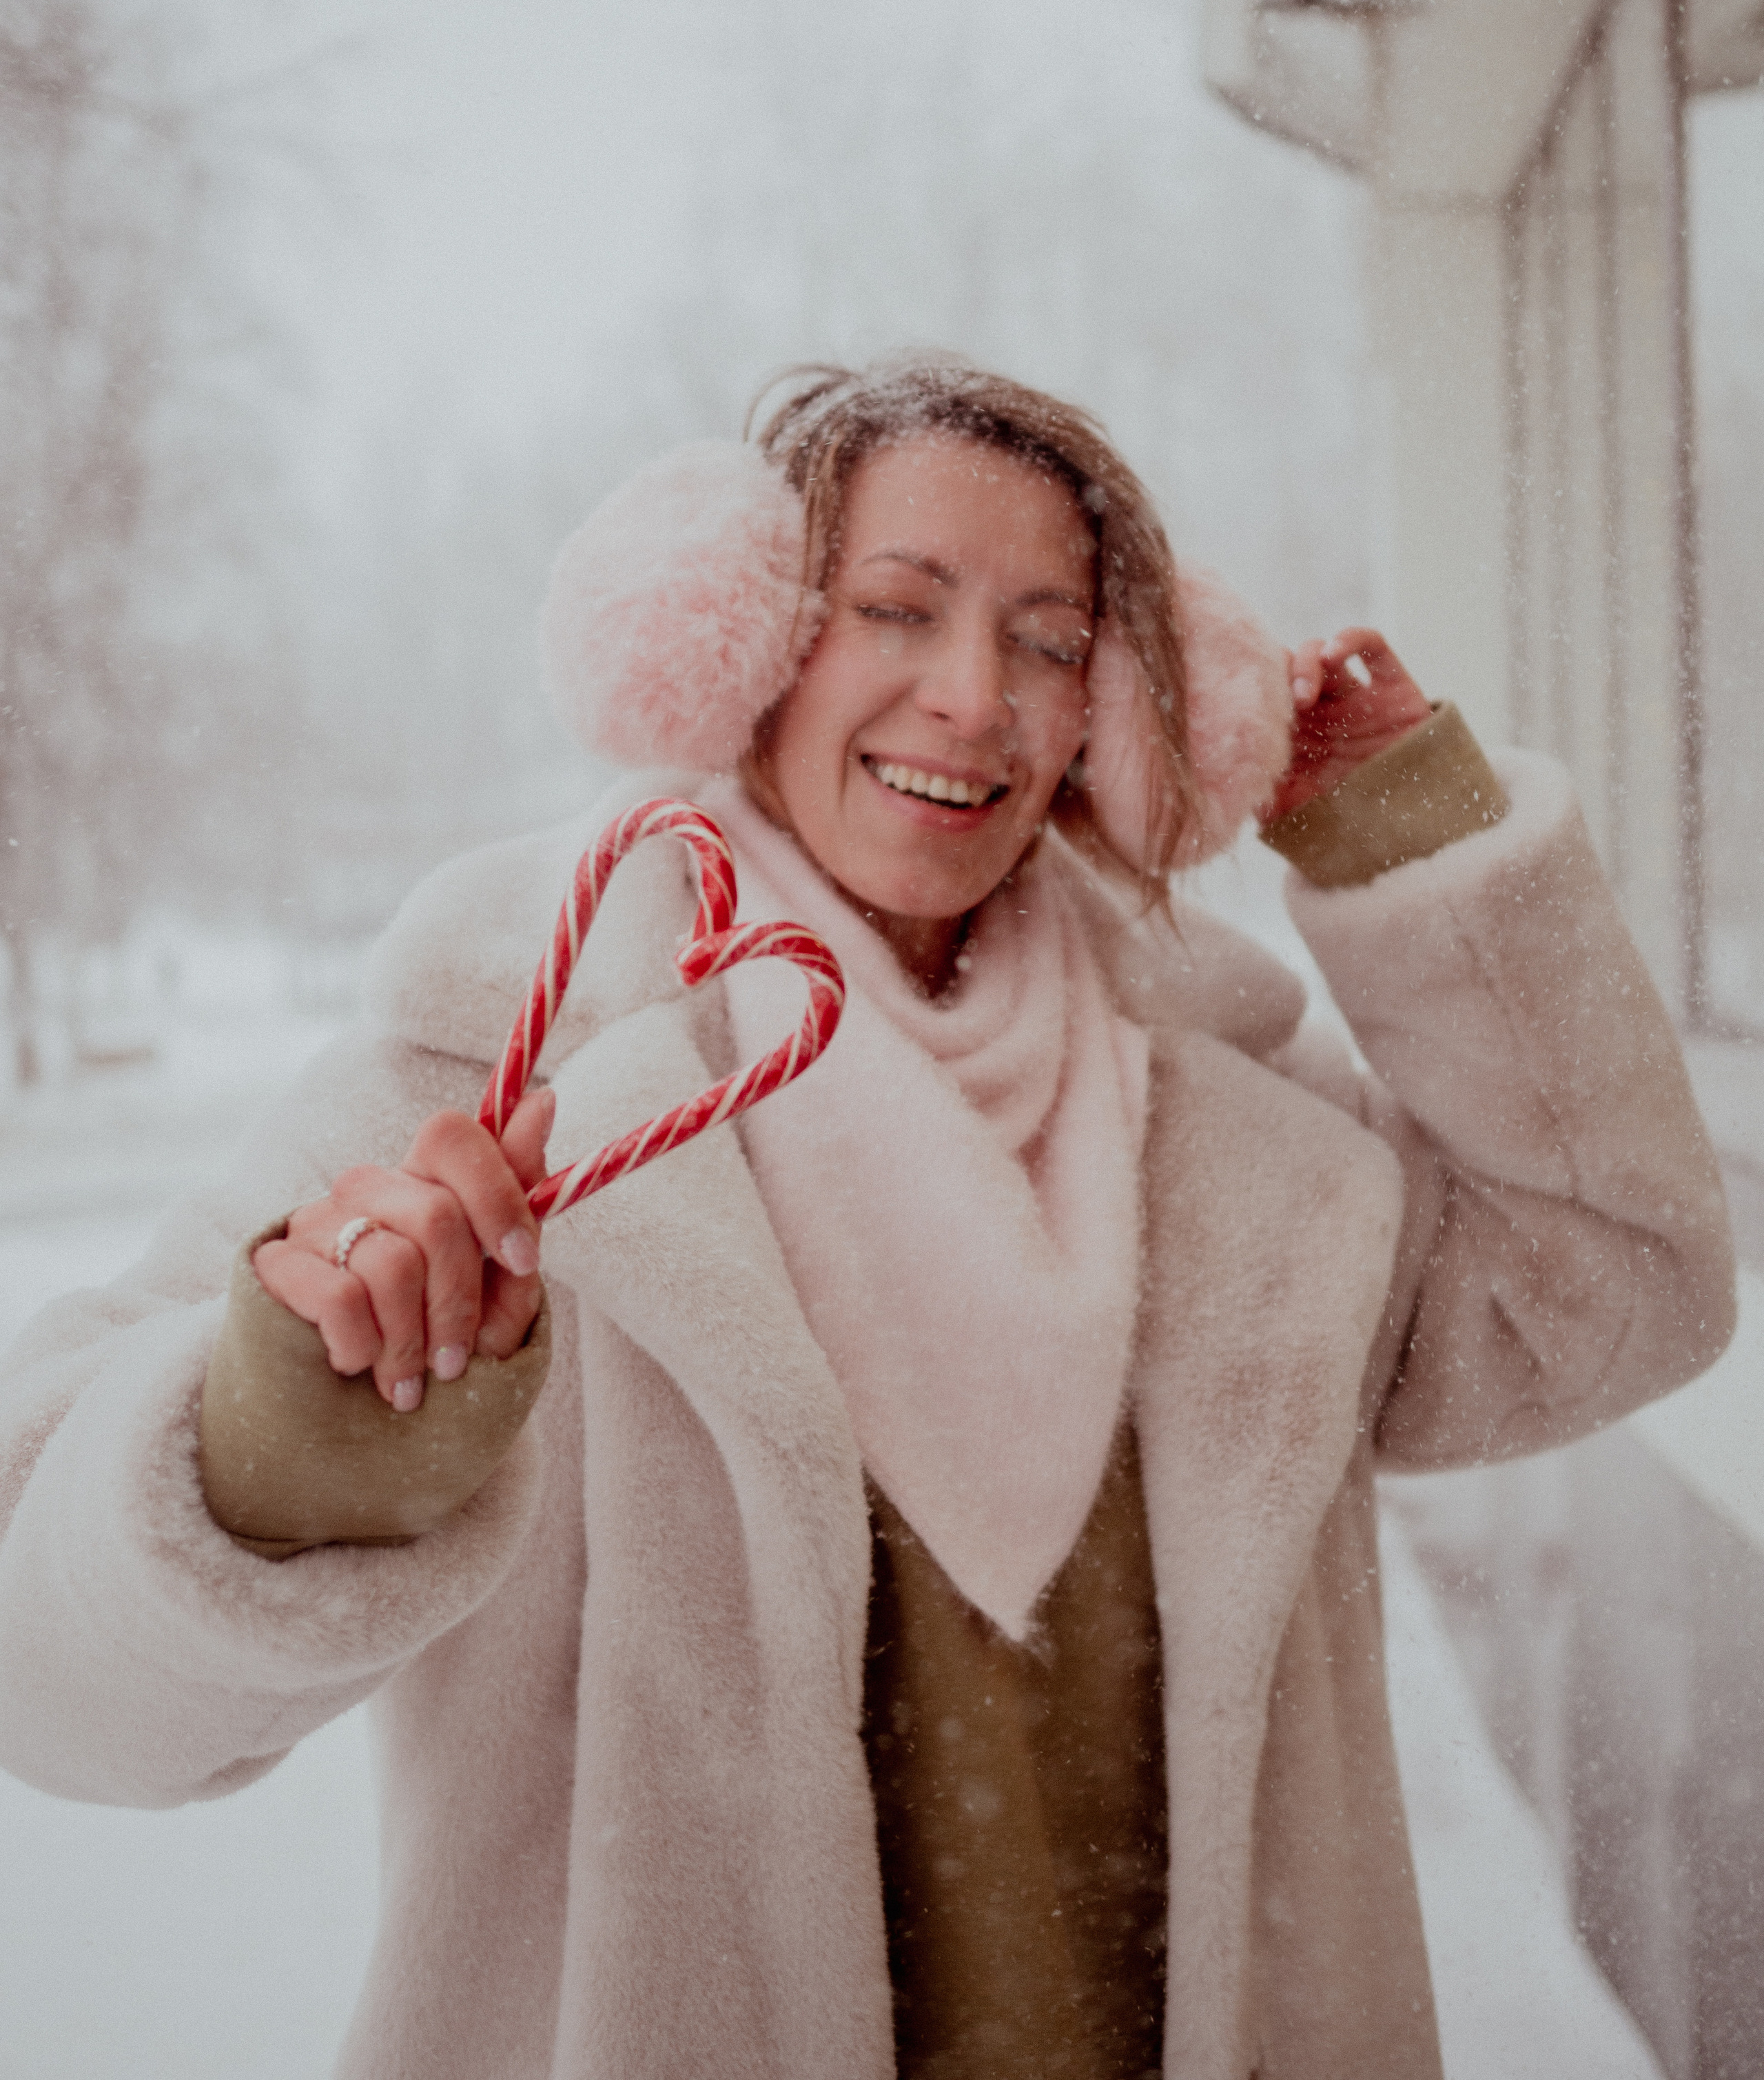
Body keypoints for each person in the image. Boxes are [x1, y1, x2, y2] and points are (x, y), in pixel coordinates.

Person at [0, 357, 1735, 2080]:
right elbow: (48, 1657)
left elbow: (1605, 1286)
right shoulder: (515, 1092)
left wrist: (1398, 832)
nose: (972, 698)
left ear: (1122, 719)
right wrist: (287, 1445)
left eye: (1051, 641)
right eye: (895, 609)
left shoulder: (1234, 1137)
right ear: (740, 641)